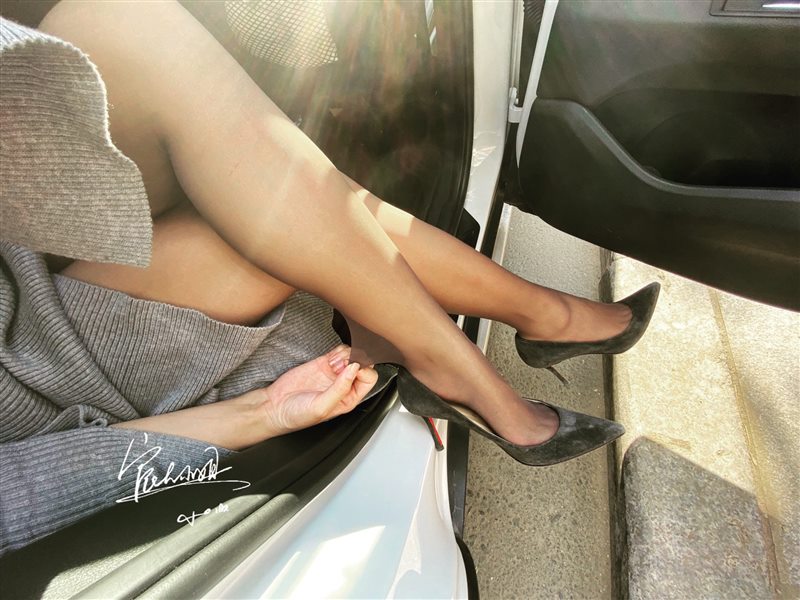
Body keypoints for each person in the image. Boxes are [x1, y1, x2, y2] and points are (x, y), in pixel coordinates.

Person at [0, 0, 658, 554]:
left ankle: (505, 328)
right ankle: (490, 341)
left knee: (114, 21)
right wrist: (259, 414)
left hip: (16, 257)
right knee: (269, 224)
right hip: (40, 367)